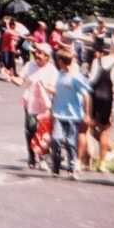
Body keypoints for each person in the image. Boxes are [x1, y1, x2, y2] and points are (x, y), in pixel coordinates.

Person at [46, 48, 91, 180]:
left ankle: (72, 168)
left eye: (57, 60)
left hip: (73, 115)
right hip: (59, 114)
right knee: (56, 139)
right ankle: (56, 166)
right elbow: (56, 91)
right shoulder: (59, 74)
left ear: (60, 61)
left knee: (71, 142)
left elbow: (86, 95)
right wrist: (51, 107)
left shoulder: (76, 77)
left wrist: (87, 114)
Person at [20, 43, 58, 169]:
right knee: (30, 128)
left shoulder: (52, 70)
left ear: (47, 57)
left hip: (45, 104)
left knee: (44, 131)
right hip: (31, 102)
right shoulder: (29, 65)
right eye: (36, 52)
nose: (37, 55)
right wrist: (10, 77)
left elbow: (55, 90)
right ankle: (31, 155)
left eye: (41, 53)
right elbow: (20, 81)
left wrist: (45, 86)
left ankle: (43, 157)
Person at [88, 37, 114, 172]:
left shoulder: (96, 62)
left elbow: (91, 82)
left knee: (90, 127)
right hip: (108, 98)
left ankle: (100, 153)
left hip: (95, 97)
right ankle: (103, 163)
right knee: (105, 130)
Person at [0, 17, 19, 81]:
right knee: (7, 63)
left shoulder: (13, 31)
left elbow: (16, 39)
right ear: (12, 25)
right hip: (5, 49)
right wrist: (6, 22)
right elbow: (9, 31)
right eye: (14, 25)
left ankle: (10, 75)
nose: (16, 26)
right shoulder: (6, 30)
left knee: (11, 63)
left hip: (11, 49)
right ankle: (6, 75)